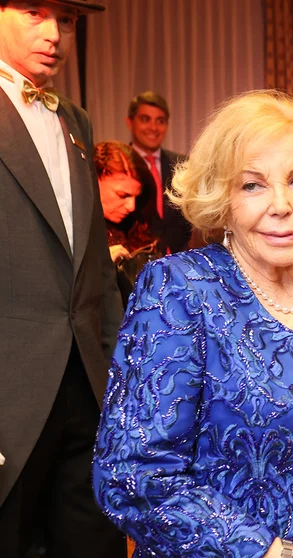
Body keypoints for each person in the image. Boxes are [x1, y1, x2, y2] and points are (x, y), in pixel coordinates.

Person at [92, 91, 293, 558]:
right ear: (222, 199)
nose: (281, 205)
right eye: (252, 185)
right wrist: (270, 551)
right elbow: (132, 477)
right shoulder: (180, 288)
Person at [0, 2, 126, 556]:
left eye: (67, 20)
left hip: (86, 385)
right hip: (11, 393)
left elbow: (95, 265)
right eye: (34, 12)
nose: (54, 34)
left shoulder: (75, 120)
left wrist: (117, 375)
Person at [94, 140, 163, 302]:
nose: (131, 206)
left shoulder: (137, 224)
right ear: (95, 179)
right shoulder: (77, 231)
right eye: (123, 195)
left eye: (135, 196)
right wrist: (98, 265)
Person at [126, 90, 192, 252]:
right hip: (132, 258)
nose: (153, 128)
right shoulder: (119, 164)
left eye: (160, 121)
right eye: (145, 119)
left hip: (178, 258)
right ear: (130, 122)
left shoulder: (183, 165)